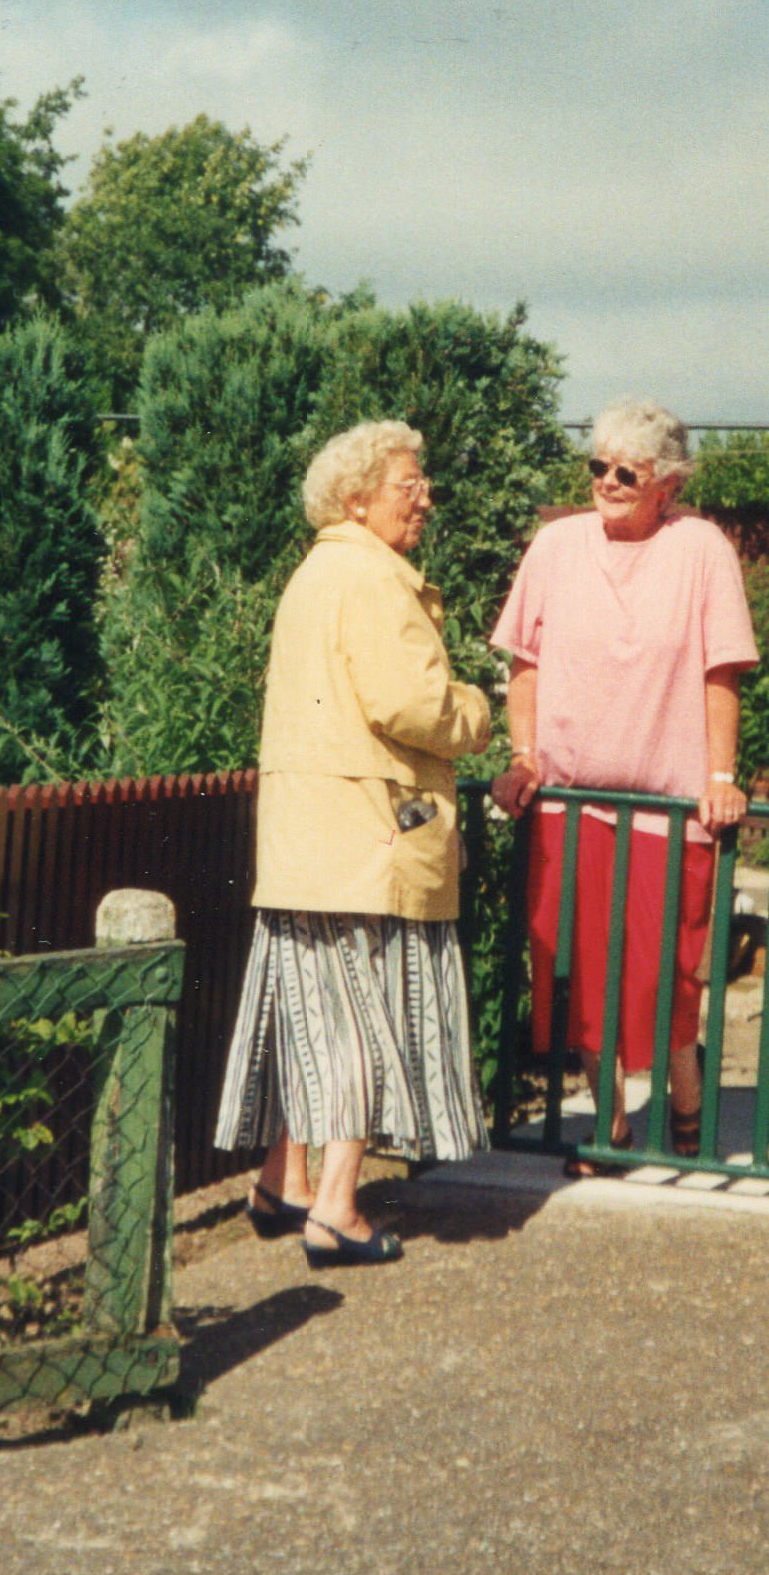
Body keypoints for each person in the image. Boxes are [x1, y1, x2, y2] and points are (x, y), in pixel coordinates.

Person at [214, 421, 492, 1266]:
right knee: (366, 1022)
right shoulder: (372, 578)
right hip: (367, 842)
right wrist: (479, 710)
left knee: (311, 1013)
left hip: (309, 840)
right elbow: (415, 705)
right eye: (410, 484)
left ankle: (280, 1182)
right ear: (358, 498)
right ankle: (336, 1208)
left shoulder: (315, 572)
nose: (425, 498)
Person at [489, 399, 758, 1173]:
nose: (605, 481)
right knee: (577, 972)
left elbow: (721, 671)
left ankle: (684, 1094)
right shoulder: (556, 545)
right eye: (596, 466)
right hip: (573, 804)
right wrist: (524, 757)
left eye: (625, 472)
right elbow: (525, 666)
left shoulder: (701, 548)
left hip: (668, 810)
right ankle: (608, 1122)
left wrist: (719, 776)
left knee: (667, 971)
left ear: (668, 484)